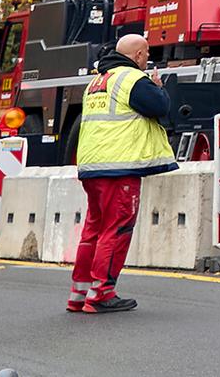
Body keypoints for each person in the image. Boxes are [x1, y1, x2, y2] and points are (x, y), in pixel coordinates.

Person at [69, 33, 177, 314]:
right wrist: (158, 87)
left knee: (93, 229)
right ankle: (102, 293)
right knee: (116, 229)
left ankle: (79, 294)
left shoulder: (96, 82)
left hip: (92, 167)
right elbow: (160, 107)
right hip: (119, 168)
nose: (147, 59)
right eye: (147, 54)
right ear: (139, 55)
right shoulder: (131, 79)